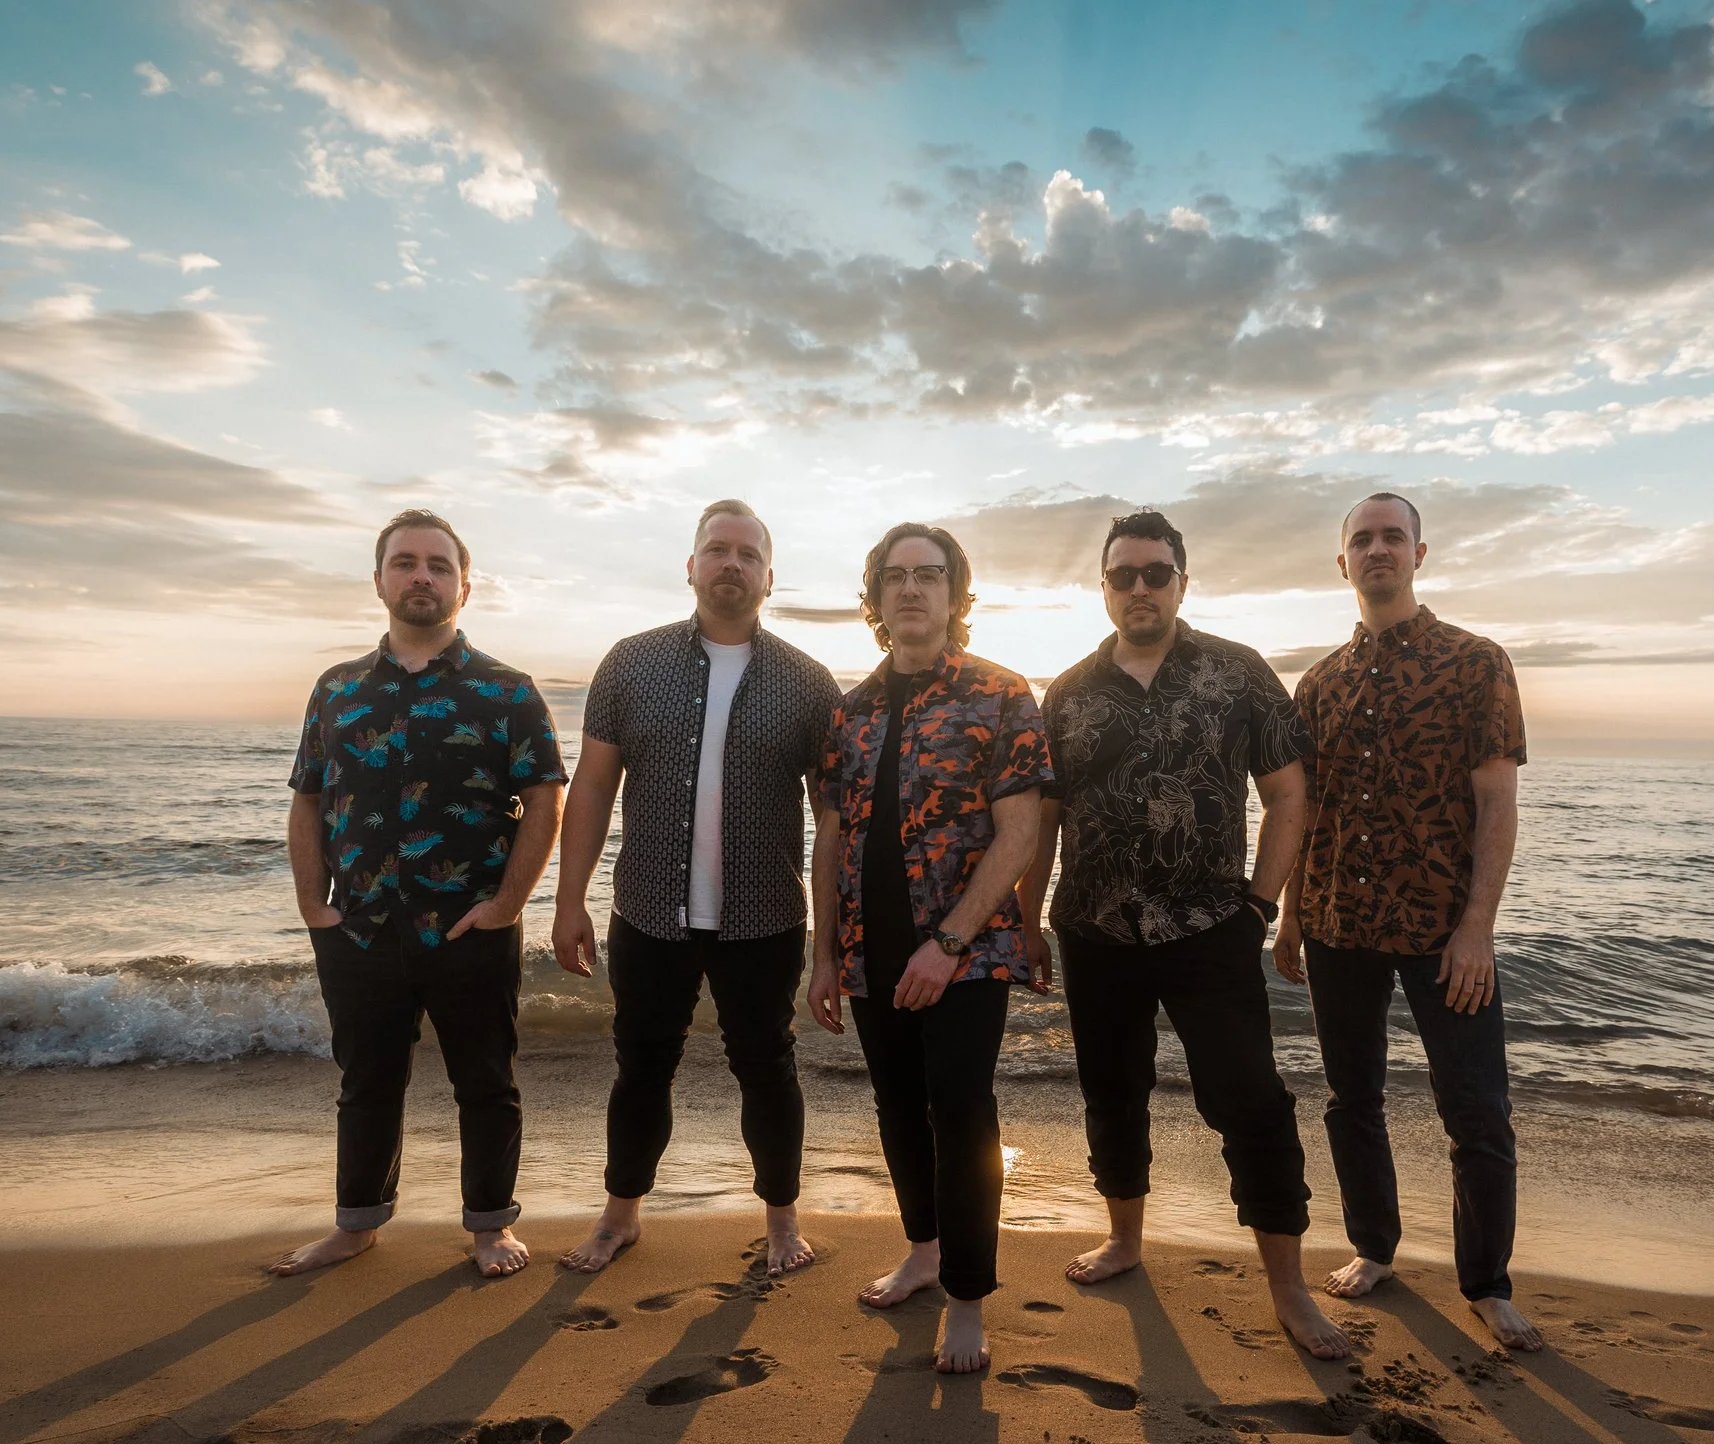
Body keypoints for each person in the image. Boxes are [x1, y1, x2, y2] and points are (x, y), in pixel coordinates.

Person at [1018, 509, 1351, 1359]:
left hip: (1210, 927)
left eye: (1156, 573)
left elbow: (1290, 794)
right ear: (1103, 587)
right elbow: (1044, 821)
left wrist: (1261, 906)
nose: (1140, 587)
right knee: (1112, 1092)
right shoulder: (1069, 692)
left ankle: (1289, 1287)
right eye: (1123, 574)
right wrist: (1025, 920)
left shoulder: (1237, 674)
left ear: (1182, 582)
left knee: (1251, 1101)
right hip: (1094, 929)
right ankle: (1125, 1239)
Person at [1275, 492, 1542, 1350]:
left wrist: (1478, 926)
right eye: (1363, 539)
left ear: (1419, 554)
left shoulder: (1476, 663)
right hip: (1338, 923)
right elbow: (1306, 811)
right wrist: (1291, 915)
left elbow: (1497, 803)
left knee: (1476, 1109)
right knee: (1351, 1100)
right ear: (1343, 562)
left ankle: (1487, 1284)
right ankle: (1375, 1248)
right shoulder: (1319, 683)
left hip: (1441, 927)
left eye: (1394, 536)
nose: (1378, 549)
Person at [551, 501, 842, 1278]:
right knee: (642, 1067)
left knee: (768, 1067)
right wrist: (569, 900)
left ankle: (782, 1220)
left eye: (748, 553)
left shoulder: (809, 684)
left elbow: (835, 817)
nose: (731, 564)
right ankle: (620, 1215)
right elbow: (591, 787)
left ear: (769, 577)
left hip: (765, 915)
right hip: (648, 911)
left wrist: (833, 939)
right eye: (717, 549)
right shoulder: (630, 663)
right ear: (691, 566)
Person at [272, 509, 565, 1280]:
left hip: (469, 924)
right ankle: (356, 1225)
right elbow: (308, 798)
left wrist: (507, 905)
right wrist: (312, 904)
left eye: (438, 565)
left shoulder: (506, 690)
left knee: (487, 1082)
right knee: (366, 1082)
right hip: (360, 927)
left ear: (465, 586)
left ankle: (491, 1227)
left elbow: (546, 798)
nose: (421, 576)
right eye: (405, 562)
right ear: (379, 581)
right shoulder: (337, 690)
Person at [807, 523, 1049, 1373]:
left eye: (930, 575)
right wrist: (825, 953)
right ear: (876, 597)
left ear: (955, 594)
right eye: (896, 576)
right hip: (871, 948)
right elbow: (832, 834)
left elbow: (1021, 832)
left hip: (967, 954)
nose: (911, 588)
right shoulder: (851, 710)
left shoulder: (1001, 693)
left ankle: (968, 1299)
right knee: (897, 1106)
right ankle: (923, 1250)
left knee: (961, 1110)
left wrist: (948, 942)